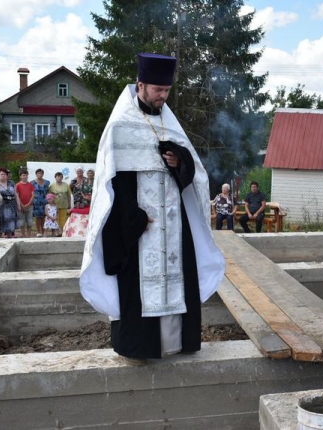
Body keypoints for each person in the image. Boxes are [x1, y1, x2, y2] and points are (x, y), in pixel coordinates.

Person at [80, 52, 225, 365]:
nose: (163, 96)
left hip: (173, 227)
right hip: (139, 229)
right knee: (138, 287)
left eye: (167, 91)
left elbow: (192, 177)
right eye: (158, 90)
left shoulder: (169, 126)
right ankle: (141, 347)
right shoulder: (120, 126)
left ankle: (175, 343)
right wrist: (131, 218)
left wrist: (178, 163)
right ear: (140, 85)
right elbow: (111, 182)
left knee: (177, 279)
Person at [0, 167, 18, 238]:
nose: (3, 175)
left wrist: (18, 205)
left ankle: (10, 237)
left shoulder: (11, 183)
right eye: (1, 174)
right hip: (0, 206)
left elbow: (16, 194)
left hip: (11, 205)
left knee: (10, 222)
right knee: (0, 223)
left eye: (5, 174)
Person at [15, 168, 35, 238]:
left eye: (26, 175)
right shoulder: (17, 185)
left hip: (30, 206)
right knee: (21, 222)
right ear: (20, 176)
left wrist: (28, 204)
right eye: (23, 175)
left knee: (29, 221)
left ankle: (29, 235)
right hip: (20, 206)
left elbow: (33, 195)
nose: (25, 177)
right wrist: (21, 205)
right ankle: (23, 235)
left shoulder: (30, 185)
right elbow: (17, 195)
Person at [31, 168, 50, 237]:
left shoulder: (47, 182)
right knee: (38, 217)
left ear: (43, 174)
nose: (40, 174)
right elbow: (32, 192)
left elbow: (48, 191)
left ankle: (43, 231)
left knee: (44, 217)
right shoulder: (32, 182)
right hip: (37, 202)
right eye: (38, 173)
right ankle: (38, 231)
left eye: (41, 173)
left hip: (45, 201)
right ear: (36, 174)